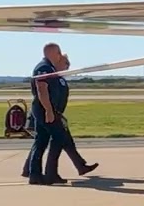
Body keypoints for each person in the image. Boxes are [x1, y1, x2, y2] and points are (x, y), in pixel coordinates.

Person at [24, 44, 97, 184]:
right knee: (58, 139)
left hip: (46, 109)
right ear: (54, 53)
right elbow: (42, 89)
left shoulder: (49, 67)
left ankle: (35, 175)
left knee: (41, 141)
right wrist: (49, 111)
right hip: (44, 109)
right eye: (58, 53)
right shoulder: (44, 68)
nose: (60, 56)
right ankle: (50, 173)